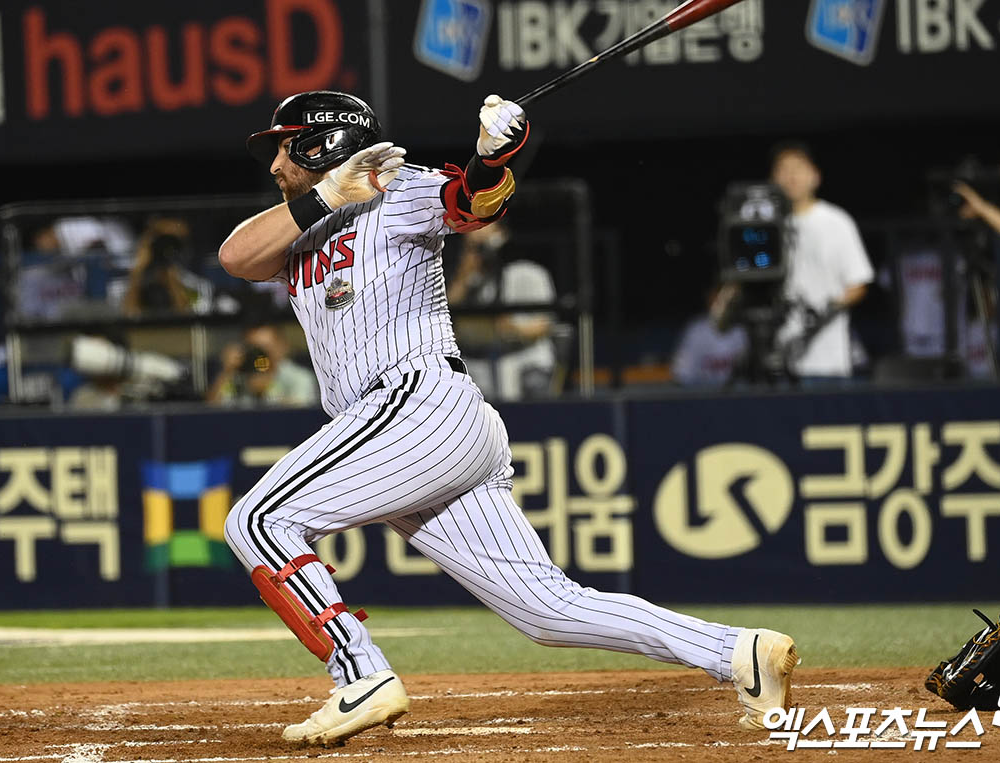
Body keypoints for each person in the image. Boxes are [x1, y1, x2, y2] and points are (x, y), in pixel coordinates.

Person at [217, 90, 798, 747]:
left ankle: (361, 671)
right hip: (418, 427)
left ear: (323, 142)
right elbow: (237, 257)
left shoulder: (396, 185)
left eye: (287, 146)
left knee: (260, 519)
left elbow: (472, 201)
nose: (275, 163)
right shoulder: (304, 220)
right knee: (547, 609)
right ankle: (739, 651)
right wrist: (327, 197)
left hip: (418, 403)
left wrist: (496, 153)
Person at [770, 141, 874, 381]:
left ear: (815, 176)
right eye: (783, 169)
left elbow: (858, 285)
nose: (791, 176)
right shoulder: (766, 227)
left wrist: (823, 313)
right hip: (776, 358)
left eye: (798, 168)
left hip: (828, 360)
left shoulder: (836, 221)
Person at [446, 220, 557, 399]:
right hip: (477, 361)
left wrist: (511, 328)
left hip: (524, 357)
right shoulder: (463, 280)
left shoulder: (529, 273)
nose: (477, 234)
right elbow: (445, 317)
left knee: (534, 384)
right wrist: (465, 274)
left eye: (483, 226)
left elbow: (544, 325)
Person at [205, 323, 318, 408]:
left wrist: (266, 388)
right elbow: (211, 415)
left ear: (283, 347)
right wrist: (227, 370)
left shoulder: (300, 378)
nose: (261, 355)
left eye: (266, 348)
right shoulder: (239, 377)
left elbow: (301, 417)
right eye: (255, 349)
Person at [671, 284, 749, 387]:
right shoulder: (696, 332)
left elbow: (745, 377)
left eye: (728, 302)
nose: (723, 307)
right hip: (702, 395)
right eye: (718, 301)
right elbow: (682, 376)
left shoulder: (740, 332)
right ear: (710, 301)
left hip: (733, 396)